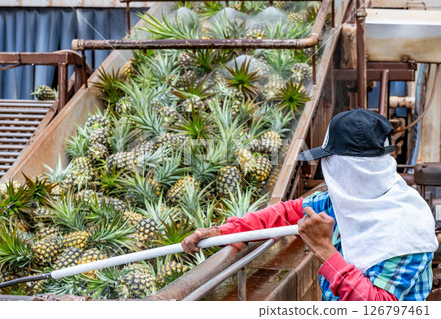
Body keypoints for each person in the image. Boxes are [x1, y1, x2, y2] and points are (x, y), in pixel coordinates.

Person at [181, 108, 439, 301]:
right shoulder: (342, 202)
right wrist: (223, 232)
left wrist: (325, 250)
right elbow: (285, 213)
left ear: (344, 168)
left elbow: (378, 307)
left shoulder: (407, 229)